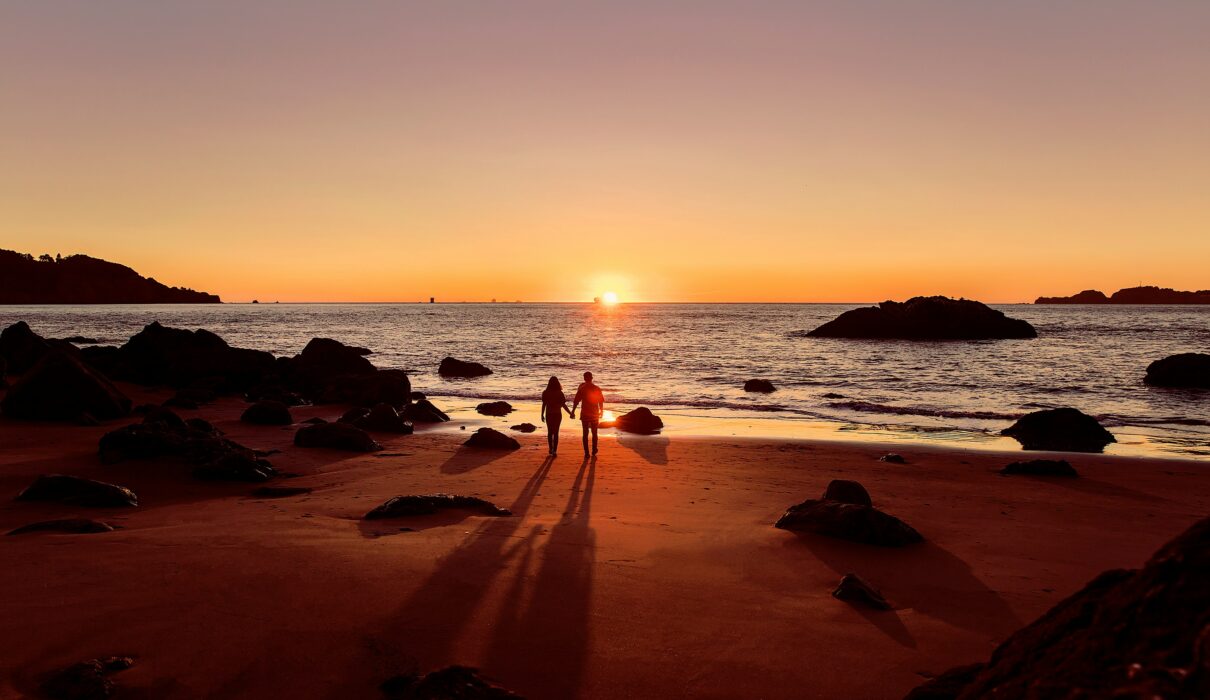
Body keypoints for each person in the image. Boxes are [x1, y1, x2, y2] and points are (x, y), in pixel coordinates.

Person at [571, 371, 605, 456]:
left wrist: (573, 412)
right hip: (594, 414)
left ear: (584, 378)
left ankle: (586, 452)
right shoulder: (597, 388)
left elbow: (576, 401)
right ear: (592, 378)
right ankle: (594, 449)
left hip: (585, 414)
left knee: (585, 433)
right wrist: (601, 410)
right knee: (594, 432)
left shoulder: (582, 388)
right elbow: (600, 401)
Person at [540, 376, 572, 456]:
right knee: (556, 432)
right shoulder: (560, 393)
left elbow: (544, 404)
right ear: (558, 383)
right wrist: (570, 413)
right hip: (557, 414)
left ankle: (550, 448)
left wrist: (542, 414)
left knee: (550, 432)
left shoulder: (545, 392)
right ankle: (555, 450)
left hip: (549, 414)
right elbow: (563, 405)